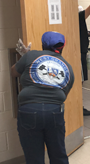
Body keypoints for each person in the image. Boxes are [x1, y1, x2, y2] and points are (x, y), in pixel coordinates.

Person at [12, 32, 75, 164]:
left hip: (29, 109)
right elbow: (63, 96)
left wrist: (24, 58)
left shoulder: (31, 55)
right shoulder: (68, 68)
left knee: (34, 158)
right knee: (59, 156)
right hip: (54, 112)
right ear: (63, 46)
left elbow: (14, 72)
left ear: (43, 45)